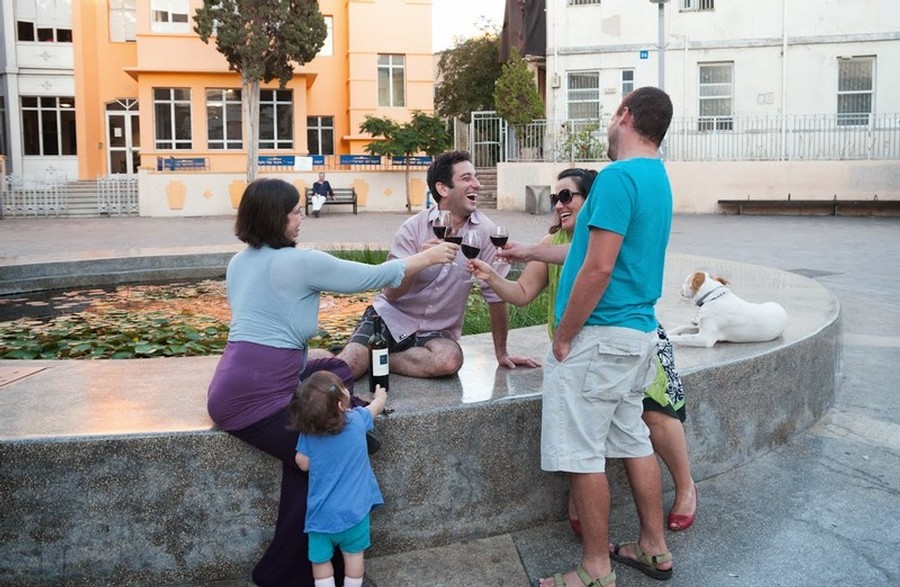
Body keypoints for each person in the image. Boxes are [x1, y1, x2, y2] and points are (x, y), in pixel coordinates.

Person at [206, 177, 456, 587]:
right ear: (275, 216)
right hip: (254, 400)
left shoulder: (240, 261)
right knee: (328, 450)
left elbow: (265, 330)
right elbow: (376, 276)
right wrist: (428, 259)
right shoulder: (300, 262)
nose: (301, 216)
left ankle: (310, 566)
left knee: (326, 399)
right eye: (294, 210)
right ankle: (287, 575)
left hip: (240, 383)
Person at [471, 168, 697, 536]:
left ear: (591, 201)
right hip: (587, 343)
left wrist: (561, 339)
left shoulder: (601, 232)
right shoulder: (553, 240)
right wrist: (491, 276)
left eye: (568, 196)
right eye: (555, 198)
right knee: (618, 437)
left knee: (652, 417)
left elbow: (593, 260)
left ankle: (685, 487)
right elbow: (522, 293)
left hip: (623, 337)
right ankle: (649, 542)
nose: (560, 204)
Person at [534, 87, 676, 587]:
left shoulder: (617, 177)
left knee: (582, 453)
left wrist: (564, 336)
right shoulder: (658, 178)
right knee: (633, 441)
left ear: (626, 115)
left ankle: (595, 569)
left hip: (599, 335)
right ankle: (654, 548)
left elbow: (597, 268)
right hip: (637, 333)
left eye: (612, 115)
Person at [337, 150, 539, 379]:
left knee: (449, 361)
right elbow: (392, 294)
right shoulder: (413, 228)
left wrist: (501, 353)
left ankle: (380, 358)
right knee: (348, 368)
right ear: (443, 188)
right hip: (389, 318)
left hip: (436, 332)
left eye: (476, 177)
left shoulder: (486, 232)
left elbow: (496, 295)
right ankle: (359, 357)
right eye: (467, 178)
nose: (477, 185)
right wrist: (419, 262)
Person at [289, 371, 387, 587]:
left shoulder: (309, 434)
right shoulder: (358, 419)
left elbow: (302, 463)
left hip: (322, 518)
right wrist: (380, 395)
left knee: (321, 561)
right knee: (354, 557)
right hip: (355, 514)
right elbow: (376, 407)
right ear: (342, 406)